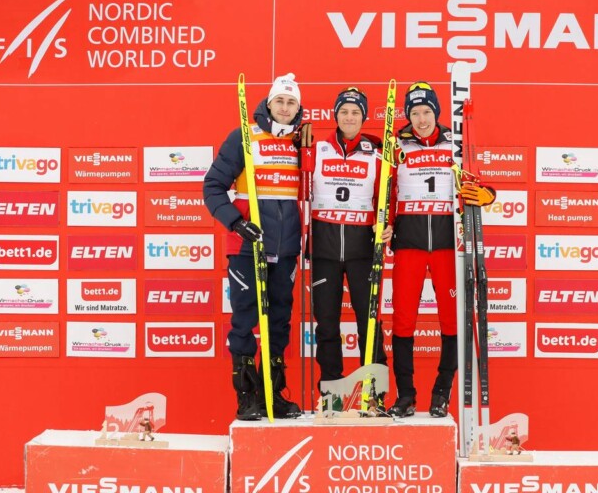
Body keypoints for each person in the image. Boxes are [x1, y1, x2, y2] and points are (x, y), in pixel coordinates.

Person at [386, 81, 494, 418]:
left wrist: (488, 194)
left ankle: (441, 392)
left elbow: (476, 182)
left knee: (452, 320)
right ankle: (405, 395)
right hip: (409, 245)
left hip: (448, 245)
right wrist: (386, 223)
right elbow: (385, 190)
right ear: (408, 115)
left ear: (437, 112)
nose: (421, 119)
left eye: (427, 112)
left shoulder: (455, 145)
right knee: (403, 321)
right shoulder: (397, 146)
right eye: (415, 113)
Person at [203, 72, 304, 421]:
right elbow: (213, 186)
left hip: (287, 246)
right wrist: (236, 221)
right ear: (269, 103)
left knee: (278, 322)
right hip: (247, 245)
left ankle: (272, 395)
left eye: (292, 102)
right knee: (245, 320)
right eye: (280, 101)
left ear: (298, 107)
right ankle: (246, 398)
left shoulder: (300, 142)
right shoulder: (244, 137)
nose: (286, 108)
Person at [310, 87, 388, 411]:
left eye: (356, 112)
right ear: (336, 115)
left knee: (368, 323)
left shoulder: (377, 151)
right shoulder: (318, 149)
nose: (350, 117)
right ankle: (332, 396)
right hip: (324, 251)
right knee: (326, 324)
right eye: (344, 112)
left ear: (364, 117)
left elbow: (390, 193)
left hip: (361, 251)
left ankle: (376, 395)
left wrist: (388, 223)